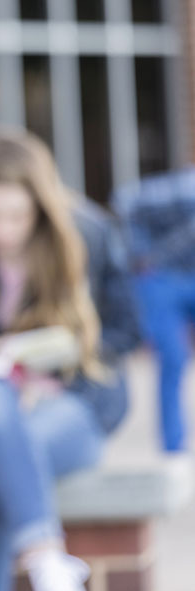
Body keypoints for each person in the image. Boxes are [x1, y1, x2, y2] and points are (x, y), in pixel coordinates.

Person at [0, 127, 139, 591]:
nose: (0, 229)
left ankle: (36, 566)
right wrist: (0, 370)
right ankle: (49, 566)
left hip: (72, 403)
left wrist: (55, 351)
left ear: (40, 206)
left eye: (15, 215)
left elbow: (125, 330)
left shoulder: (88, 232)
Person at [111, 168, 195, 452]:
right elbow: (124, 199)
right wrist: (142, 254)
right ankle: (174, 446)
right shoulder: (184, 190)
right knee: (173, 357)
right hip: (166, 280)